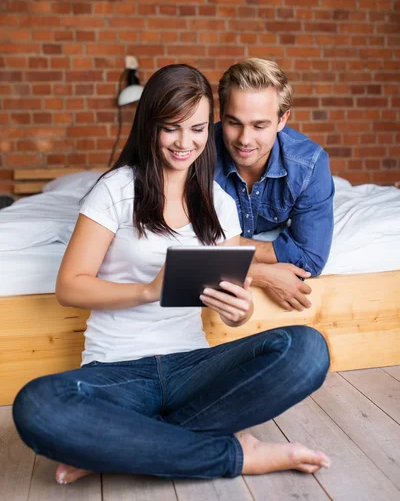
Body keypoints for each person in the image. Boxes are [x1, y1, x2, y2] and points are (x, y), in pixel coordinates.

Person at [13, 64, 331, 484]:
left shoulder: (219, 202)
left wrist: (240, 310)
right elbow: (69, 287)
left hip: (191, 365)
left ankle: (121, 448)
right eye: (171, 128)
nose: (185, 143)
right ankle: (236, 455)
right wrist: (148, 291)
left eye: (198, 129)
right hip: (118, 369)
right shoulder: (116, 190)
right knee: (37, 405)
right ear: (150, 126)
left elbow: (233, 308)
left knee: (306, 348)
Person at [215, 58, 335, 312]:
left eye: (260, 125)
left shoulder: (309, 164)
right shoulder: (198, 153)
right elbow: (175, 249)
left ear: (283, 119)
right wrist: (261, 274)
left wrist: (225, 249)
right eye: (233, 122)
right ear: (221, 114)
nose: (244, 139)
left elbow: (311, 258)